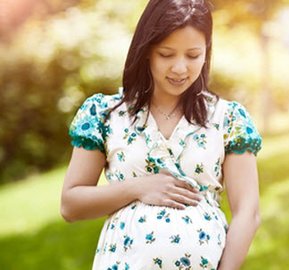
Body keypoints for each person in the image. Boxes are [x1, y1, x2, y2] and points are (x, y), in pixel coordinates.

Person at [60, 0, 262, 269]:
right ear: (146, 51)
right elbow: (70, 205)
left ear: (206, 52)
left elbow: (248, 212)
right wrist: (138, 187)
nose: (180, 68)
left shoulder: (228, 119)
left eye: (193, 55)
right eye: (166, 54)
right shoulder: (105, 114)